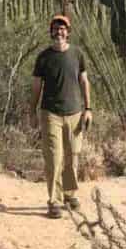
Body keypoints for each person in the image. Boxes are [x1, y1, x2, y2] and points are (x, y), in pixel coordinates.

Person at [30, 14, 92, 218]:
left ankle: (70, 195)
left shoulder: (77, 54)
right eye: (56, 28)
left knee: (72, 157)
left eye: (63, 28)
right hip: (51, 114)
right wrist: (32, 110)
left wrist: (88, 109)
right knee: (54, 159)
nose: (59, 31)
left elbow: (84, 81)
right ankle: (54, 201)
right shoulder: (44, 57)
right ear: (51, 32)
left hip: (75, 112)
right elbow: (37, 86)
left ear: (68, 32)